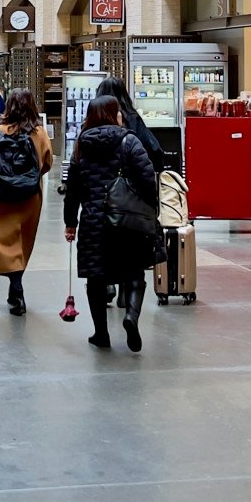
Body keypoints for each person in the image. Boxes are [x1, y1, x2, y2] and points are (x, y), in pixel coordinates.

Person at [63, 95, 163, 352]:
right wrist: (150, 209)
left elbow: (72, 188)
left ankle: (101, 334)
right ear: (112, 114)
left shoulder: (80, 145)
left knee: (97, 277)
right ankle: (131, 315)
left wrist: (70, 222)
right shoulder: (129, 141)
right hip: (127, 220)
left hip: (94, 220)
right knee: (134, 271)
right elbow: (147, 179)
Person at [0, 87, 53, 315]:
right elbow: (47, 162)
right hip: (31, 196)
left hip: (3, 195)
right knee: (23, 242)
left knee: (2, 240)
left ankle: (15, 285)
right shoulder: (39, 133)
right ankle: (17, 282)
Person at [95, 75, 164, 170]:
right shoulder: (131, 118)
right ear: (124, 95)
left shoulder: (91, 122)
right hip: (127, 179)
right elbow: (154, 150)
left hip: (93, 182)